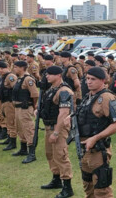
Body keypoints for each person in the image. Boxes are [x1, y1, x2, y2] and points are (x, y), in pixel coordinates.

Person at [75, 67, 116, 197]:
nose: (89, 82)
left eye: (93, 79)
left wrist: (96, 138)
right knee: (88, 186)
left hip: (98, 150)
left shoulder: (107, 98)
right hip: (84, 148)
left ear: (102, 80)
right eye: (87, 79)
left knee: (102, 189)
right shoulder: (88, 96)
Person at [39, 66, 75, 198]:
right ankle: (56, 179)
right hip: (49, 126)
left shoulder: (64, 91)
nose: (47, 76)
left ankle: (67, 187)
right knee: (50, 154)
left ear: (58, 75)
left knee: (61, 155)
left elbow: (63, 113)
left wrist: (56, 132)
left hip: (58, 127)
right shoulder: (51, 89)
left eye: (49, 74)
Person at [10, 61, 40, 163]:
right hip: (18, 108)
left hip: (25, 108)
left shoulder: (28, 79)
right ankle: (23, 149)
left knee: (28, 128)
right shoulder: (19, 78)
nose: (14, 68)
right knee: (19, 128)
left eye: (16, 67)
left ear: (22, 68)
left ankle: (32, 153)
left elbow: (35, 94)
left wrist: (34, 105)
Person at [0, 61, 17, 144]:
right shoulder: (2, 77)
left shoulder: (10, 76)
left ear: (7, 68)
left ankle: (13, 141)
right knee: (7, 121)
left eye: (2, 69)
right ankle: (9, 137)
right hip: (3, 102)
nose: (0, 70)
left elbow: (16, 88)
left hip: (9, 102)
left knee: (11, 122)